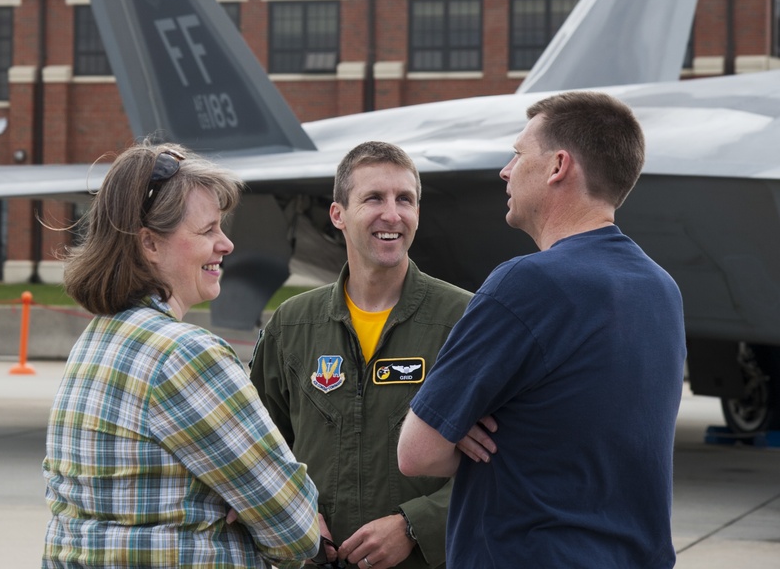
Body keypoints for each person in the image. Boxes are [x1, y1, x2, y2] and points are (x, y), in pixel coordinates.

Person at [398, 91, 687, 567]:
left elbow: (418, 453)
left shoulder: (528, 281)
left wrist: (456, 425)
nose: (505, 171)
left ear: (557, 166)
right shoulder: (661, 289)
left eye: (517, 154)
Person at [42, 141, 320, 569]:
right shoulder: (185, 356)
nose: (226, 244)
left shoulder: (93, 343)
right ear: (150, 244)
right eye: (208, 231)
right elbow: (296, 530)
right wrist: (249, 511)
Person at [250, 141, 473, 569]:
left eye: (404, 199)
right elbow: (258, 447)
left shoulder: (464, 321)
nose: (392, 214)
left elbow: (505, 459)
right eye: (374, 198)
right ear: (338, 214)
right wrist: (296, 514)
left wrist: (415, 526)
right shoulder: (292, 325)